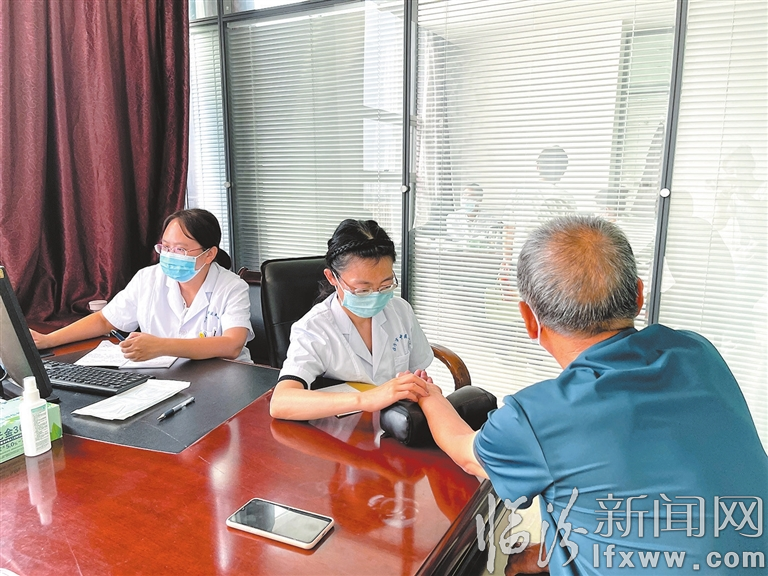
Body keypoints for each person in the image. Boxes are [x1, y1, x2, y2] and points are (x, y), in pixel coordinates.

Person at [418, 215, 768, 575]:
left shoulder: (538, 419)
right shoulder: (697, 353)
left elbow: (465, 453)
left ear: (529, 319)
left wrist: (428, 395)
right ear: (639, 295)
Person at [31, 208, 254, 362]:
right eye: (165, 247)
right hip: (167, 376)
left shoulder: (232, 287)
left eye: (180, 249)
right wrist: (49, 340)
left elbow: (232, 345)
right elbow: (105, 320)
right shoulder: (148, 278)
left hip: (224, 377)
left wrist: (161, 346)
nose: (169, 255)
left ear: (209, 254)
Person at [269, 219, 432, 421]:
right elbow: (281, 402)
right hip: (343, 431)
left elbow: (417, 371)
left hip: (397, 423)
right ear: (332, 278)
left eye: (386, 286)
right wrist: (366, 399)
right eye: (362, 290)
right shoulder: (314, 328)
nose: (376, 296)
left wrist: (417, 386)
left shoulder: (400, 311)